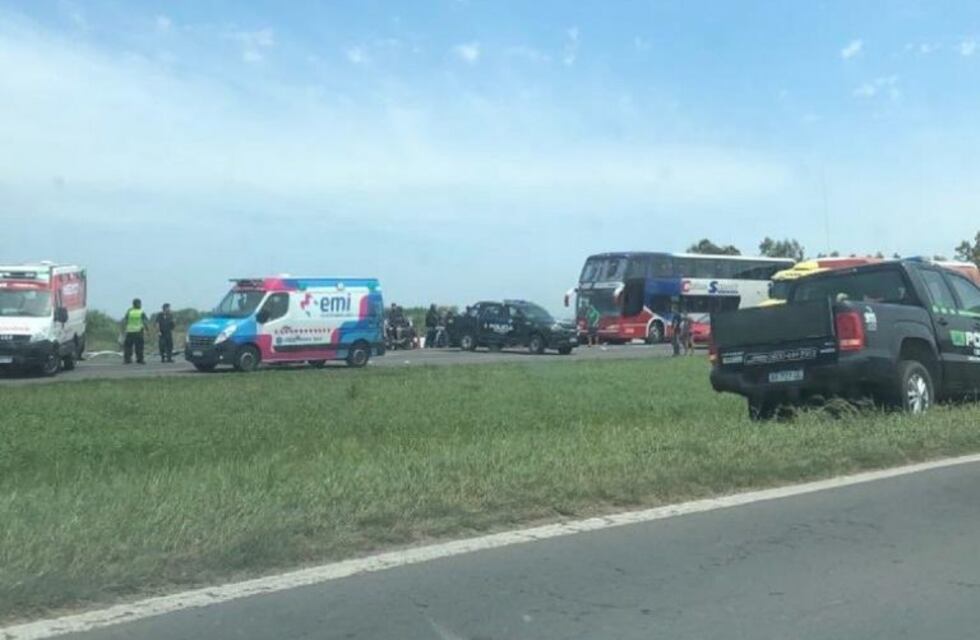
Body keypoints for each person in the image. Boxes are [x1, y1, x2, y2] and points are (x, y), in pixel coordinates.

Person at [120, 298, 150, 364]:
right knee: (139, 346)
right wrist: (147, 331)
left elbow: (125, 321)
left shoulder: (129, 311)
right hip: (138, 331)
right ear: (138, 304)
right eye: (140, 303)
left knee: (128, 346)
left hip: (130, 331)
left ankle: (127, 360)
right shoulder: (141, 312)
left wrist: (122, 330)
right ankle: (140, 359)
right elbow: (145, 322)